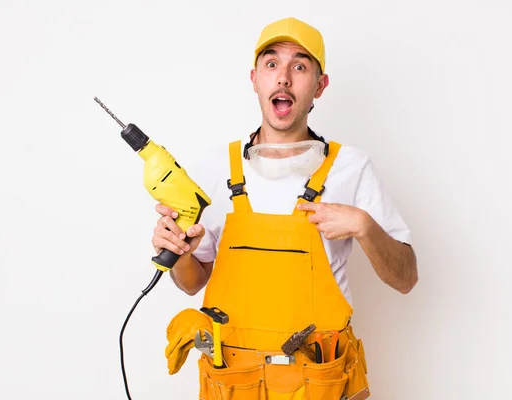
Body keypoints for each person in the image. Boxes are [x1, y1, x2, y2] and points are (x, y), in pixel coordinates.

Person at [154, 17, 418, 400]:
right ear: (255, 78)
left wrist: (364, 226)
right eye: (272, 63)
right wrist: (177, 252)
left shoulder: (351, 168)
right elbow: (194, 282)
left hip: (319, 386)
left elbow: (406, 278)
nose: (283, 78)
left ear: (319, 86)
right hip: (234, 385)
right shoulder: (214, 168)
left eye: (300, 66)